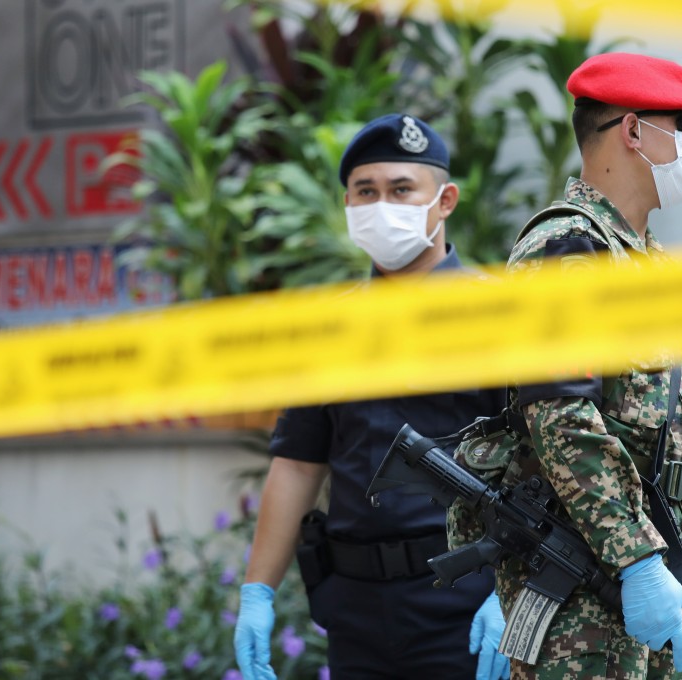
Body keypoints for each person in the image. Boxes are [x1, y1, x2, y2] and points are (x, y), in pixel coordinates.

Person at [459, 53, 682, 679]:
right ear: (634, 132)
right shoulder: (566, 248)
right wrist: (636, 562)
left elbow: (642, 412)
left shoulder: (642, 262)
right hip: (585, 601)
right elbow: (560, 415)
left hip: (644, 589)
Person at [234, 113, 510, 680]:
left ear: (445, 200)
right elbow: (297, 463)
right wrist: (256, 593)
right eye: (367, 191)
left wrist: (517, 593)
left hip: (466, 602)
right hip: (356, 612)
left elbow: (554, 454)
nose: (382, 204)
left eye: (401, 189)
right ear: (348, 204)